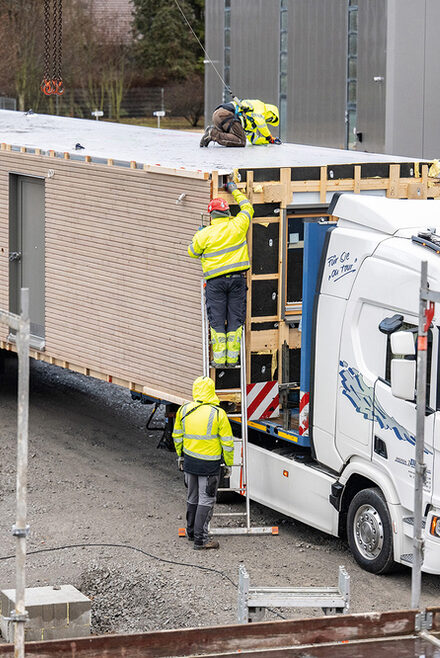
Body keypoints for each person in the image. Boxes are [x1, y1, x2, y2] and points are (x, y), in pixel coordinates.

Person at [188, 177, 254, 368]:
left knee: (217, 322)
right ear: (227, 212)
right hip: (237, 281)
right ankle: (232, 360)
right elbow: (248, 207)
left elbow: (192, 252)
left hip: (215, 284)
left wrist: (198, 235)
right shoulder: (238, 225)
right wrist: (233, 189)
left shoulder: (205, 234)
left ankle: (219, 360)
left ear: (211, 216)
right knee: (235, 320)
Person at [173, 376, 235, 550]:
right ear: (211, 391)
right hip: (209, 466)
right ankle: (201, 539)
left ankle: (192, 532)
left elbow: (177, 436)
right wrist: (229, 464)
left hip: (190, 463)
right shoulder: (218, 414)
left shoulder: (184, 410)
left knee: (192, 498)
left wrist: (181, 456)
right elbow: (227, 443)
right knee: (206, 500)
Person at [200, 98, 281, 148]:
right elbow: (261, 123)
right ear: (271, 112)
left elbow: (254, 140)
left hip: (221, 116)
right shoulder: (260, 107)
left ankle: (213, 132)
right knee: (241, 141)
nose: (268, 121)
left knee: (236, 137)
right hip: (226, 114)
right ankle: (212, 134)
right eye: (271, 119)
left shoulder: (251, 122)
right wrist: (269, 137)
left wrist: (268, 141)